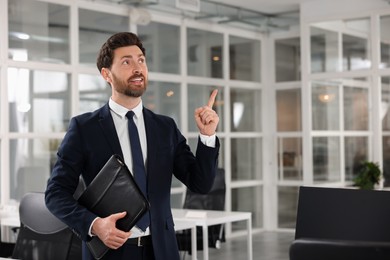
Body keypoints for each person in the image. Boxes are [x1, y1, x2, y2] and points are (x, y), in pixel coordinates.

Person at [45, 31, 220, 260]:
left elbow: (201, 183)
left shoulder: (164, 127)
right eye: (126, 62)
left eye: (141, 60)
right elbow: (55, 194)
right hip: (111, 251)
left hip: (161, 249)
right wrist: (95, 225)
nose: (137, 68)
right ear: (107, 74)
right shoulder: (84, 128)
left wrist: (207, 137)